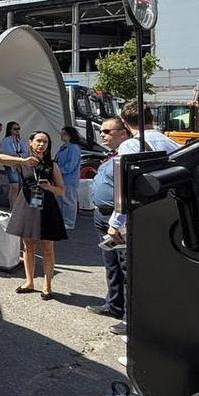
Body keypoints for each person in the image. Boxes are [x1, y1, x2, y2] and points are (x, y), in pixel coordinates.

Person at [104, 103, 181, 338]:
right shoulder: (171, 143)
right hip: (167, 215)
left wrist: (115, 223)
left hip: (140, 218)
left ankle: (135, 324)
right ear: (151, 118)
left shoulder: (129, 145)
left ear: (125, 123)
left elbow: (125, 188)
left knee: (135, 273)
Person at [0, 131, 68, 299]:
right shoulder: (23, 162)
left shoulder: (52, 164)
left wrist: (49, 187)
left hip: (47, 207)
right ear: (30, 143)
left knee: (47, 248)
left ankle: (47, 285)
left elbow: (62, 190)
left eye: (45, 142)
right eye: (38, 141)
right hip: (27, 205)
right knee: (28, 246)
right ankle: (29, 282)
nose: (42, 144)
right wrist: (22, 160)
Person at [86, 117, 129, 321]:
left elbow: (126, 193)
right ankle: (113, 305)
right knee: (111, 264)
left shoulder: (128, 156)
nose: (102, 134)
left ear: (123, 132)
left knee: (125, 267)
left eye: (107, 131)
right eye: (101, 131)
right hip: (101, 216)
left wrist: (117, 221)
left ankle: (129, 317)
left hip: (118, 218)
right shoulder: (110, 156)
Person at [55, 126, 84, 230]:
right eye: (62, 133)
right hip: (61, 178)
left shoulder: (74, 148)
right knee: (61, 200)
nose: (62, 135)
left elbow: (71, 165)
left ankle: (69, 222)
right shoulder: (64, 147)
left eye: (65, 134)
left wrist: (57, 171)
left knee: (68, 200)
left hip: (68, 179)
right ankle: (62, 220)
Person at [0, 121, 29, 195]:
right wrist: (19, 155)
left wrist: (17, 155)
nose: (17, 130)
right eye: (15, 128)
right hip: (11, 165)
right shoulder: (6, 140)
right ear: (10, 130)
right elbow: (8, 154)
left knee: (20, 186)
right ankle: (12, 206)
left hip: (20, 165)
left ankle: (16, 204)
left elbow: (26, 153)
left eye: (18, 128)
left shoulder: (21, 141)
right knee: (14, 186)